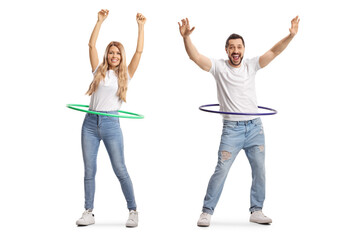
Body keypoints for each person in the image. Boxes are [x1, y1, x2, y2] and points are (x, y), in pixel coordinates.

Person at [178, 16, 299, 226]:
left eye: (239, 47)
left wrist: (291, 35)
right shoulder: (218, 67)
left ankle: (257, 210)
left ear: (244, 49)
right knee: (221, 169)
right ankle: (207, 211)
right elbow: (195, 57)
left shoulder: (251, 65)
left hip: (255, 128)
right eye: (232, 47)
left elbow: (274, 51)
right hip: (232, 130)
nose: (236, 51)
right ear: (226, 50)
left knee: (260, 170)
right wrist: (186, 38)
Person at [76, 9, 146, 227]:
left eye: (117, 53)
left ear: (121, 57)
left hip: (111, 124)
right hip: (89, 123)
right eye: (111, 52)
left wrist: (141, 26)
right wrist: (99, 21)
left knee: (120, 168)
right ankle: (88, 211)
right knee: (89, 169)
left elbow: (139, 52)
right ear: (107, 55)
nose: (114, 56)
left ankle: (133, 210)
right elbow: (91, 46)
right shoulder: (98, 70)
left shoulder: (125, 75)